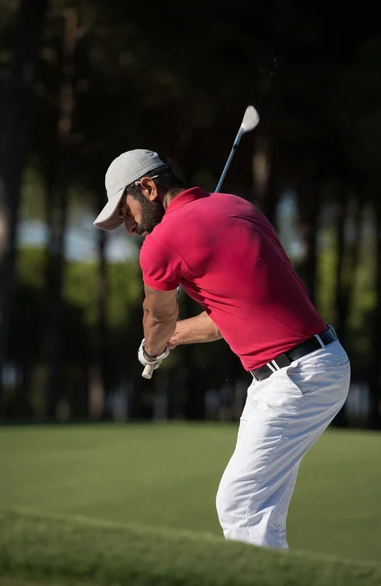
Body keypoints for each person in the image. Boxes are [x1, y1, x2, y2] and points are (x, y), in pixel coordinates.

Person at [94, 148, 351, 551]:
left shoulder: (160, 244)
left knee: (240, 505)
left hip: (296, 376)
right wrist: (171, 338)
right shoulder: (237, 206)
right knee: (259, 510)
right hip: (308, 367)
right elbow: (223, 318)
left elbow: (156, 318)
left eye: (125, 212)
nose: (129, 227)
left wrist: (151, 350)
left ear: (147, 187)